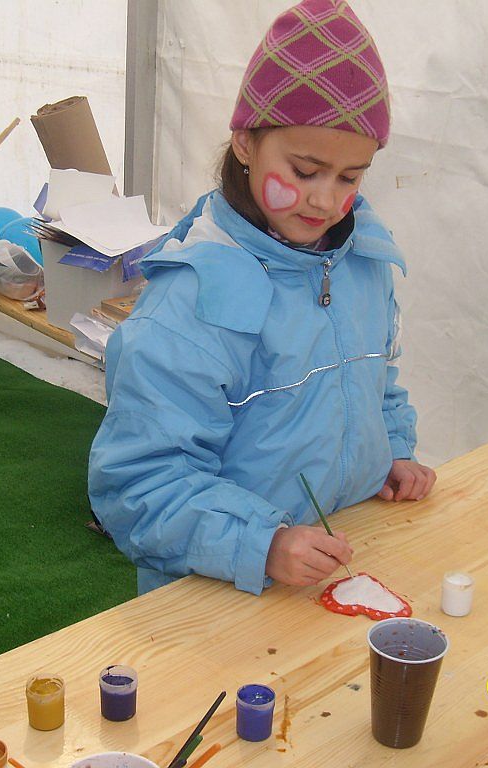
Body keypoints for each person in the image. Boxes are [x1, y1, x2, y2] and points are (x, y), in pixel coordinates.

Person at [88, 0, 436, 596]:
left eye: (350, 177)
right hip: (214, 591)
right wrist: (262, 544)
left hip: (334, 569)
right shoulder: (192, 301)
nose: (325, 201)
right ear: (246, 143)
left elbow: (376, 382)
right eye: (304, 170)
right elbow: (141, 483)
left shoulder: (363, 262)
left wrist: (391, 452)